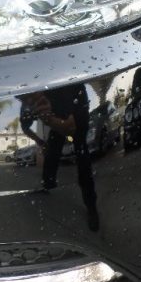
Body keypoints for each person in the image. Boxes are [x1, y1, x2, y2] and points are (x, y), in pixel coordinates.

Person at [19, 84, 99, 231]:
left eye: (30, 96)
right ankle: (47, 183)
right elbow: (25, 128)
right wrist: (40, 141)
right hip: (58, 116)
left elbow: (70, 128)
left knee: (81, 152)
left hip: (78, 110)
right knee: (52, 149)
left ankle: (91, 206)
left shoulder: (62, 90)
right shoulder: (27, 105)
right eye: (23, 99)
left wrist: (49, 120)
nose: (28, 101)